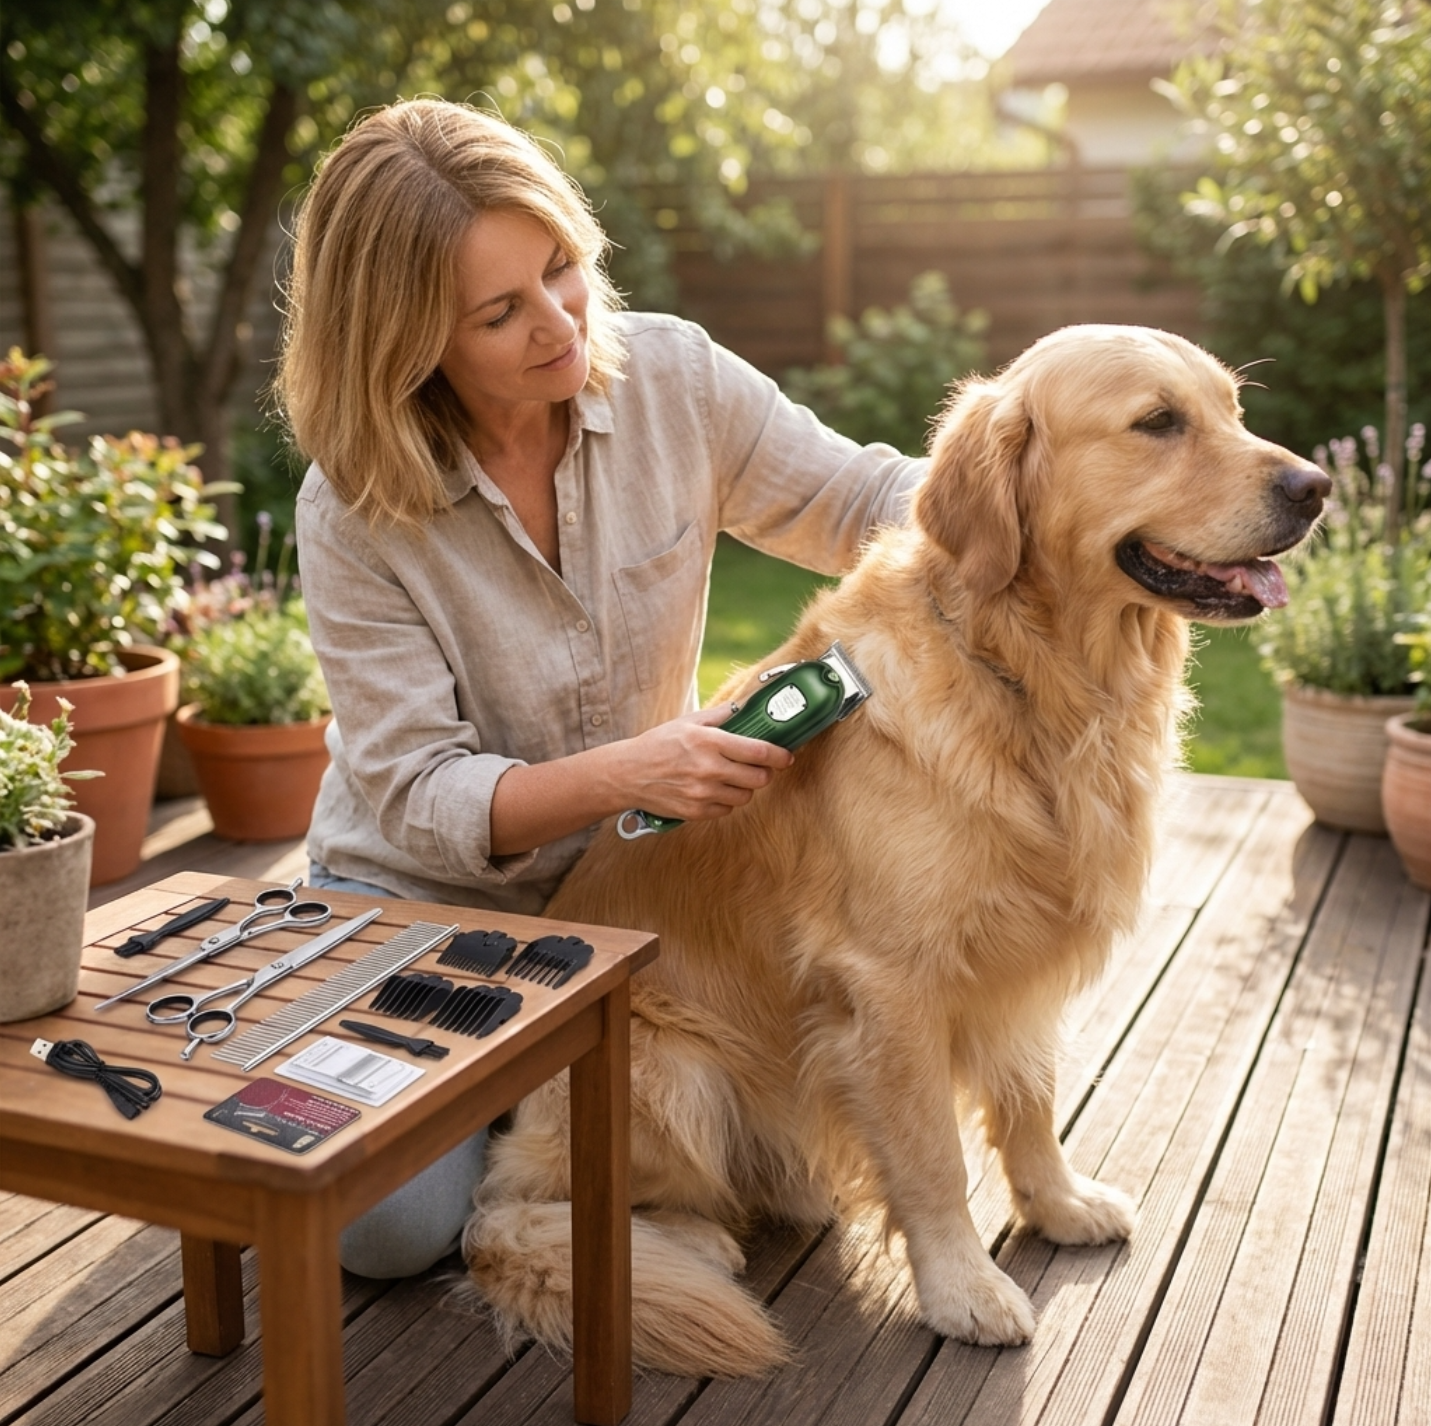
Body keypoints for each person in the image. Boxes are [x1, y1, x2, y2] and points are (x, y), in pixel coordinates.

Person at [278, 98, 926, 1279]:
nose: (560, 321)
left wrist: (1035, 462)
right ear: (403, 340)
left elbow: (859, 500)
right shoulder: (352, 506)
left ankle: (514, 1098)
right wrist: (641, 766)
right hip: (420, 905)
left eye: (563, 267)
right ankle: (391, 1074)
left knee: (794, 1174)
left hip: (628, 898)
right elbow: (420, 792)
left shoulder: (671, 376)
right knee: (389, 1232)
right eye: (499, 311)